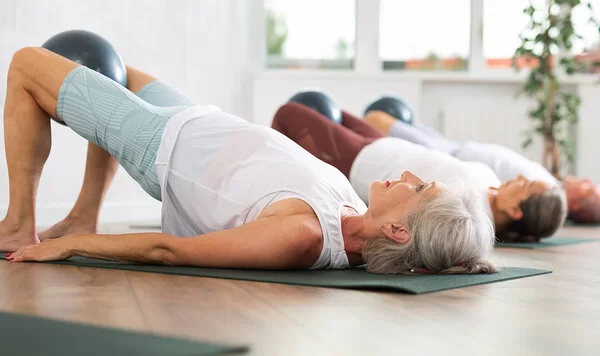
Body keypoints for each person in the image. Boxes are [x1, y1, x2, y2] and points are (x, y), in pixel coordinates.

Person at [0, 47, 496, 275]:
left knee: (26, 65)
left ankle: (20, 225)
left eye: (419, 189)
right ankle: (84, 209)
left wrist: (76, 248)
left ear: (400, 232)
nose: (408, 176)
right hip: (194, 117)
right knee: (120, 69)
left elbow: (168, 251)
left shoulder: (302, 236)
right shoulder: (350, 211)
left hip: (161, 146)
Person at [271, 102, 567, 242]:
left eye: (524, 185)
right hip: (388, 144)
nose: (518, 177)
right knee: (331, 108)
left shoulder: (467, 212)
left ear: (515, 210)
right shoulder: (491, 187)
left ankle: (271, 197)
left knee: (291, 113)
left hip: (364, 162)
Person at [364, 109, 599, 223]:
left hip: (445, 153)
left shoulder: (542, 194)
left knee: (377, 119)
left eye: (589, 190)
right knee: (385, 122)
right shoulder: (546, 182)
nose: (588, 181)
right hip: (454, 147)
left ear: (575, 206)